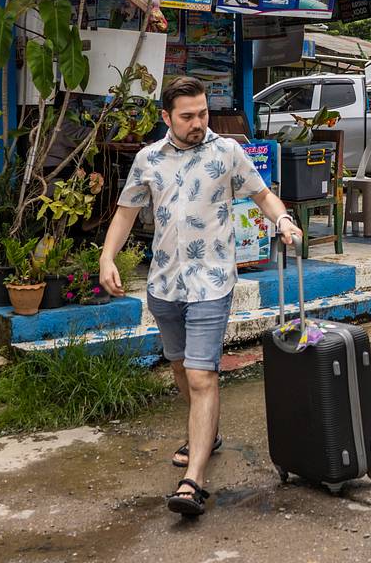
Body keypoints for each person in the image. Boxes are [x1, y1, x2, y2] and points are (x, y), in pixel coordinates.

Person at [99, 76, 299, 517]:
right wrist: (107, 258)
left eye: (202, 114)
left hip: (212, 282)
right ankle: (206, 434)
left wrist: (282, 220)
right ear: (166, 117)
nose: (197, 123)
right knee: (179, 365)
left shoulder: (227, 152)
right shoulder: (147, 159)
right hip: (164, 284)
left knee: (201, 375)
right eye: (187, 116)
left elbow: (263, 194)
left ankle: (194, 481)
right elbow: (125, 213)